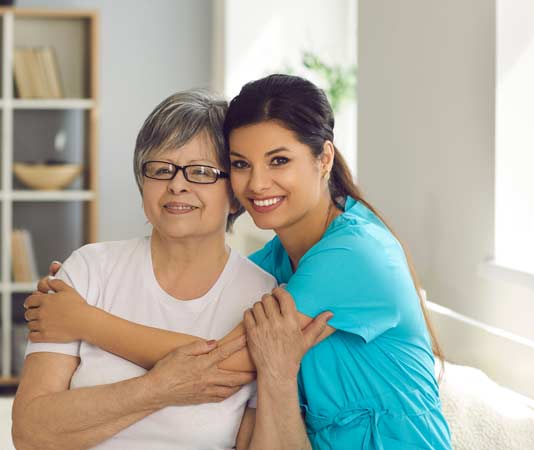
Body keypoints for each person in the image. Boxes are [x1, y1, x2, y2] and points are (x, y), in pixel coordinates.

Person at [25, 74, 453, 449]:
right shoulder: (270, 266)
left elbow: (222, 365)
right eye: (241, 164)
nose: (258, 182)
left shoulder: (354, 255)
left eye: (279, 161)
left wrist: (84, 321)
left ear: (323, 159)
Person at [11, 89, 332, 450]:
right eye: (161, 169)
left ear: (234, 194)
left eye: (200, 172)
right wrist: (158, 388)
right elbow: (30, 433)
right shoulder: (86, 271)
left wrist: (278, 375)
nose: (177, 184)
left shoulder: (261, 298)